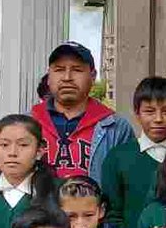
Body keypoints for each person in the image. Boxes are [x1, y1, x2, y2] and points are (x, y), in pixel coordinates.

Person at [31, 41, 137, 181]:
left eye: (77, 70)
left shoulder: (116, 128)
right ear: (49, 77)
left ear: (93, 76)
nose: (67, 78)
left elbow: (128, 182)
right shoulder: (26, 123)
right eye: (59, 70)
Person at [101, 76, 166, 228]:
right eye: (149, 111)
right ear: (137, 114)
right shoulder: (118, 157)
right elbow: (112, 215)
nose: (158, 119)